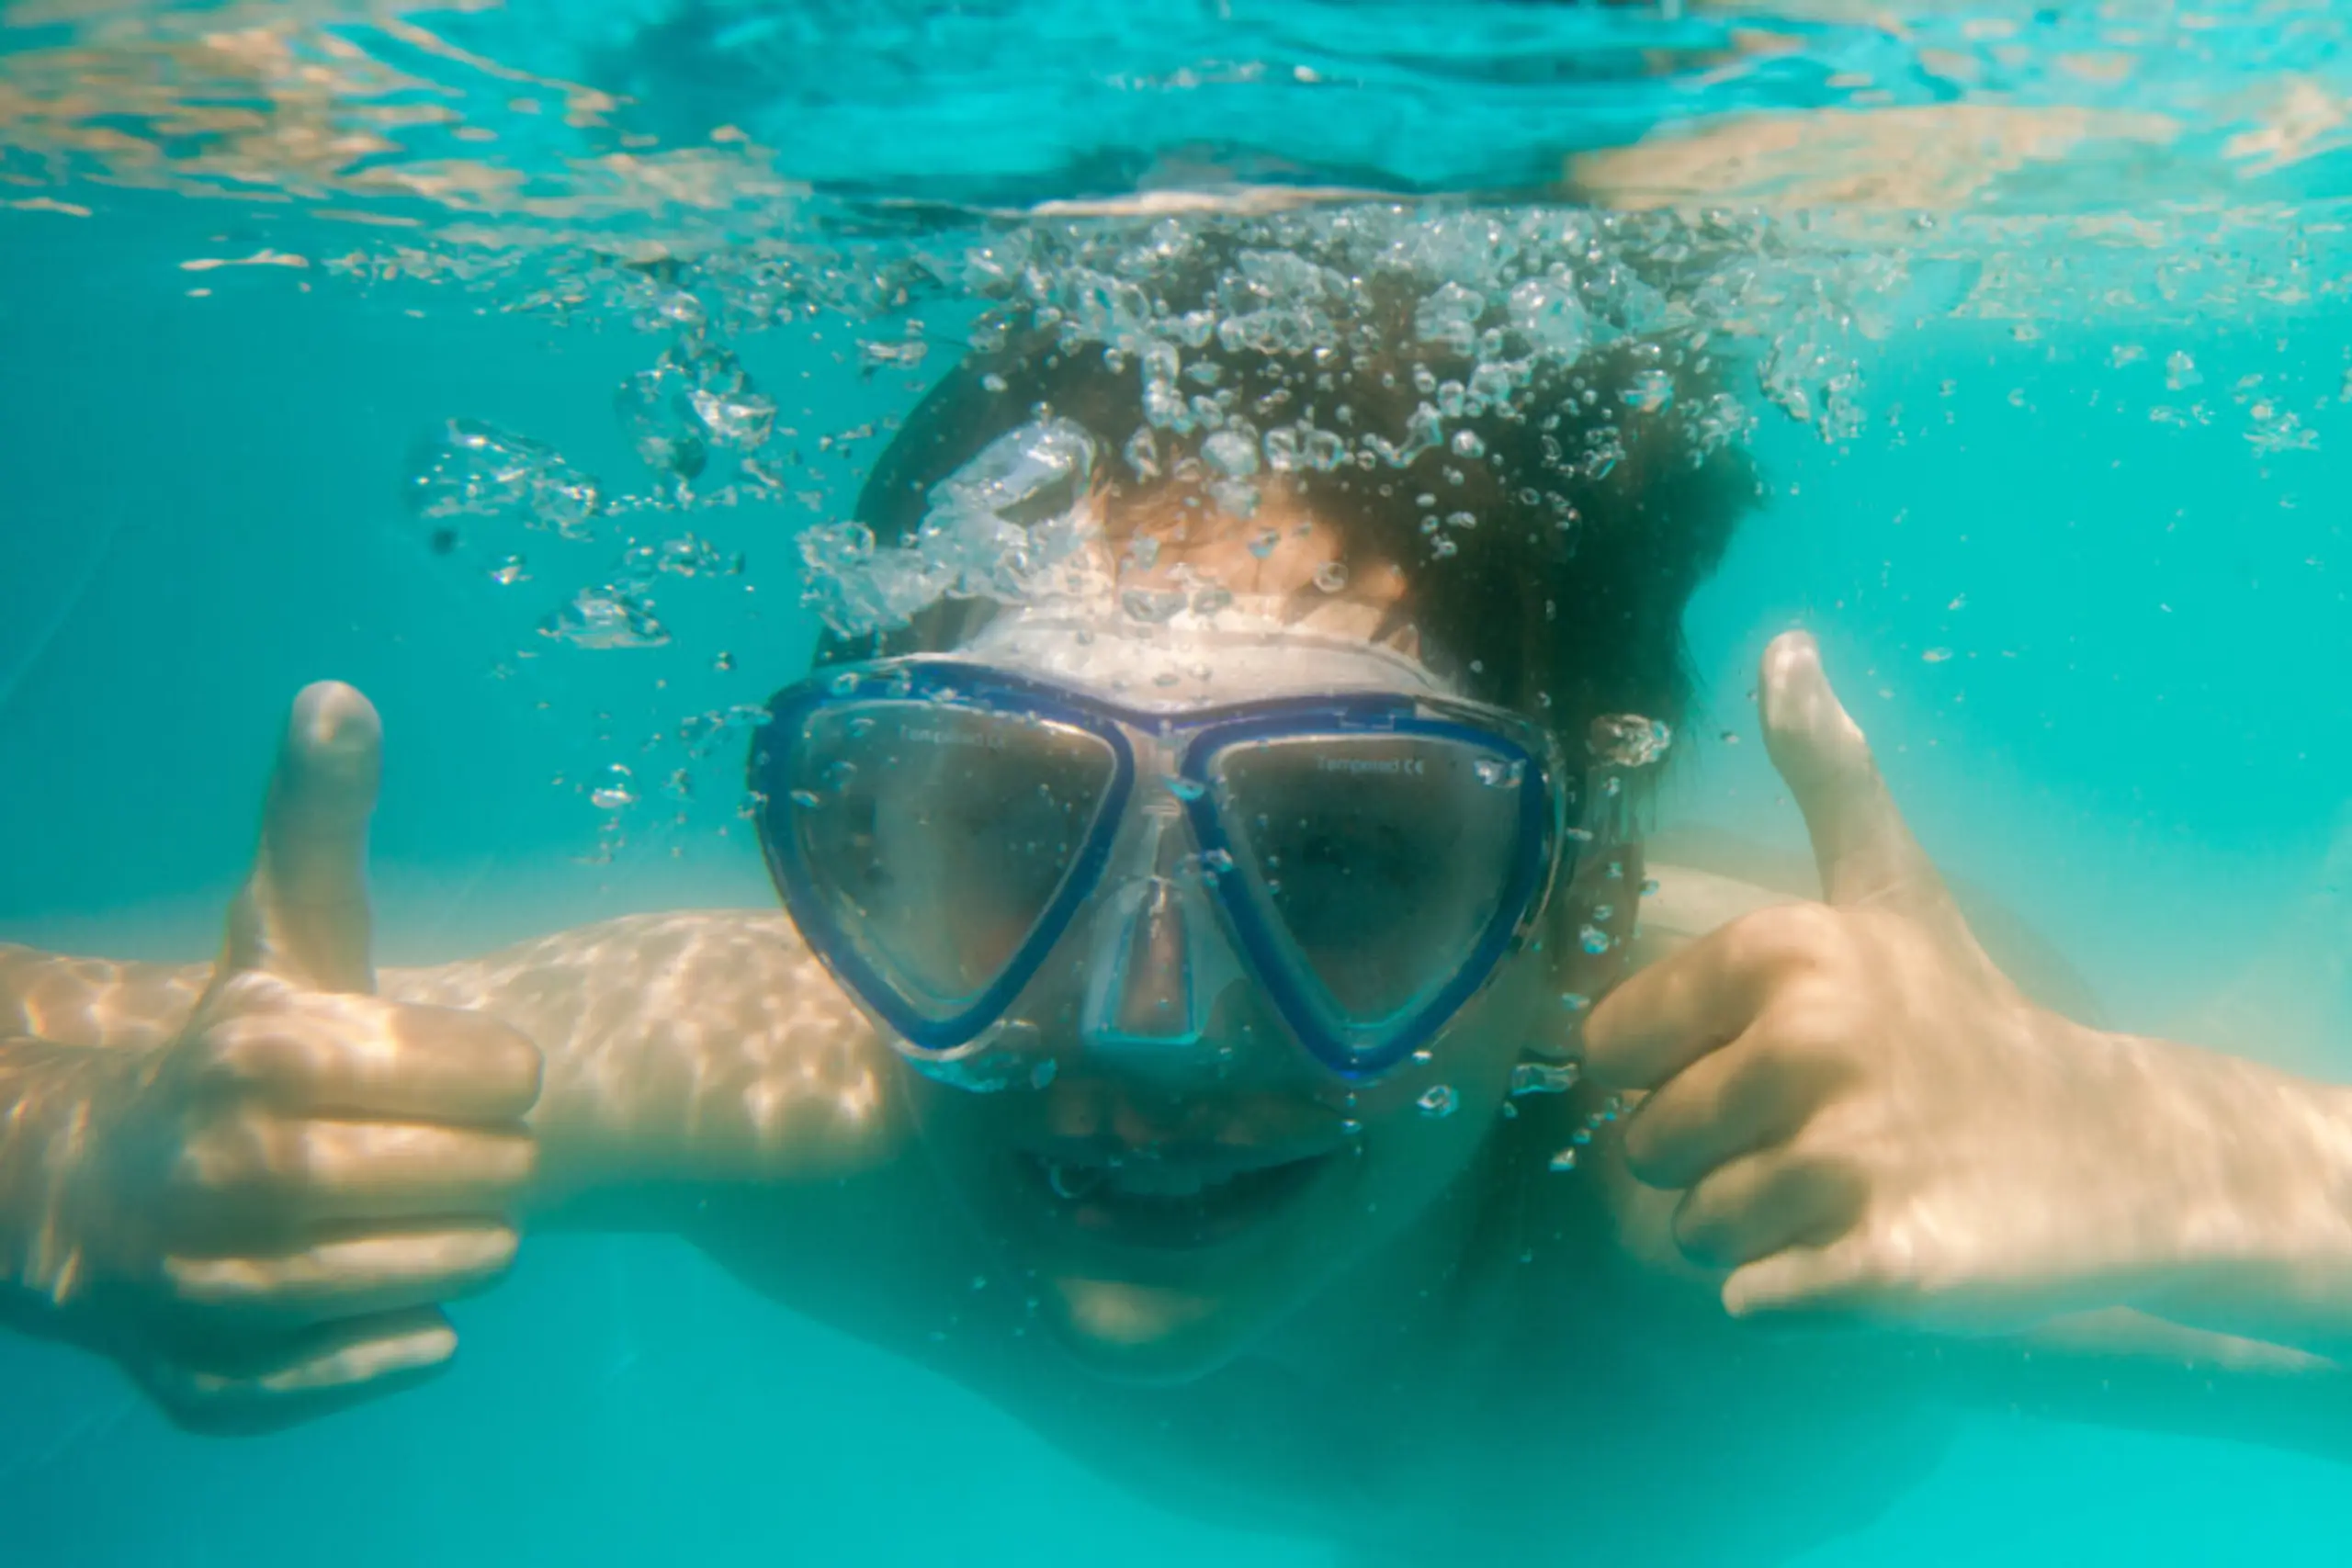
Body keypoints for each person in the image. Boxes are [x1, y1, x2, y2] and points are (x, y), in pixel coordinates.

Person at [6, 224, 2352, 1567]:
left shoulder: (1763, 1197)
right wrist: (73, 1177)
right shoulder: (810, 1093)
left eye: (1341, 858)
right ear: (838, 860)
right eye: (1002, 833)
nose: (1134, 1019)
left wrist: (2159, 1158)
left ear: (1571, 915)